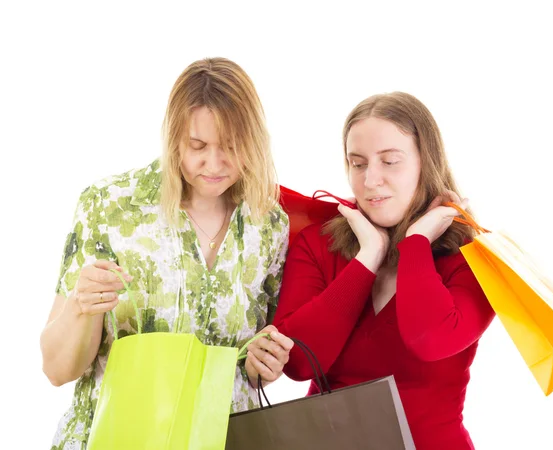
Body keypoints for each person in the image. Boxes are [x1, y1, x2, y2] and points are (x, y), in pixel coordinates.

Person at [41, 57, 293, 449]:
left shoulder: (270, 223)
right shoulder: (110, 207)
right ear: (173, 136)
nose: (214, 164)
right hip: (118, 438)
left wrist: (265, 364)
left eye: (231, 146)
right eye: (197, 146)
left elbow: (253, 369)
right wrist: (79, 306)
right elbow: (56, 370)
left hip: (226, 439)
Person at [273, 92, 495, 449]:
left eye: (390, 161)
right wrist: (368, 258)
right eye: (358, 163)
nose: (370, 180)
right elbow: (298, 362)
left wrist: (417, 242)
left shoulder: (473, 260)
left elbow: (429, 340)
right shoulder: (318, 244)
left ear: (428, 163)